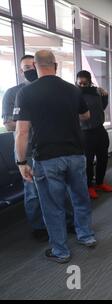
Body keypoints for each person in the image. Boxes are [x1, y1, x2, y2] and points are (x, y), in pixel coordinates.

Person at [14, 50, 96, 263]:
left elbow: (21, 132)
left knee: (53, 205)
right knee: (80, 197)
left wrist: (21, 162)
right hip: (76, 155)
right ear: (56, 65)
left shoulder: (26, 93)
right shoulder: (72, 89)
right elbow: (86, 115)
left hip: (46, 158)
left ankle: (61, 251)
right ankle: (86, 236)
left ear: (35, 66)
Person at [1, 55, 48, 241]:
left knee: (53, 189)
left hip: (49, 148)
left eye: (33, 66)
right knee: (33, 192)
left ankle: (58, 222)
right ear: (21, 71)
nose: (31, 69)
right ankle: (38, 226)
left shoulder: (47, 90)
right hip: (27, 151)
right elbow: (9, 124)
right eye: (27, 67)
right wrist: (31, 122)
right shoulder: (13, 93)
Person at [76, 70, 112, 200]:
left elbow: (102, 107)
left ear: (89, 82)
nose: (82, 85)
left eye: (84, 83)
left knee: (103, 158)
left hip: (99, 130)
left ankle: (100, 183)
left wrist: (105, 96)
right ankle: (89, 186)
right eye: (79, 83)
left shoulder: (96, 92)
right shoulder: (74, 94)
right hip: (85, 132)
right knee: (88, 161)